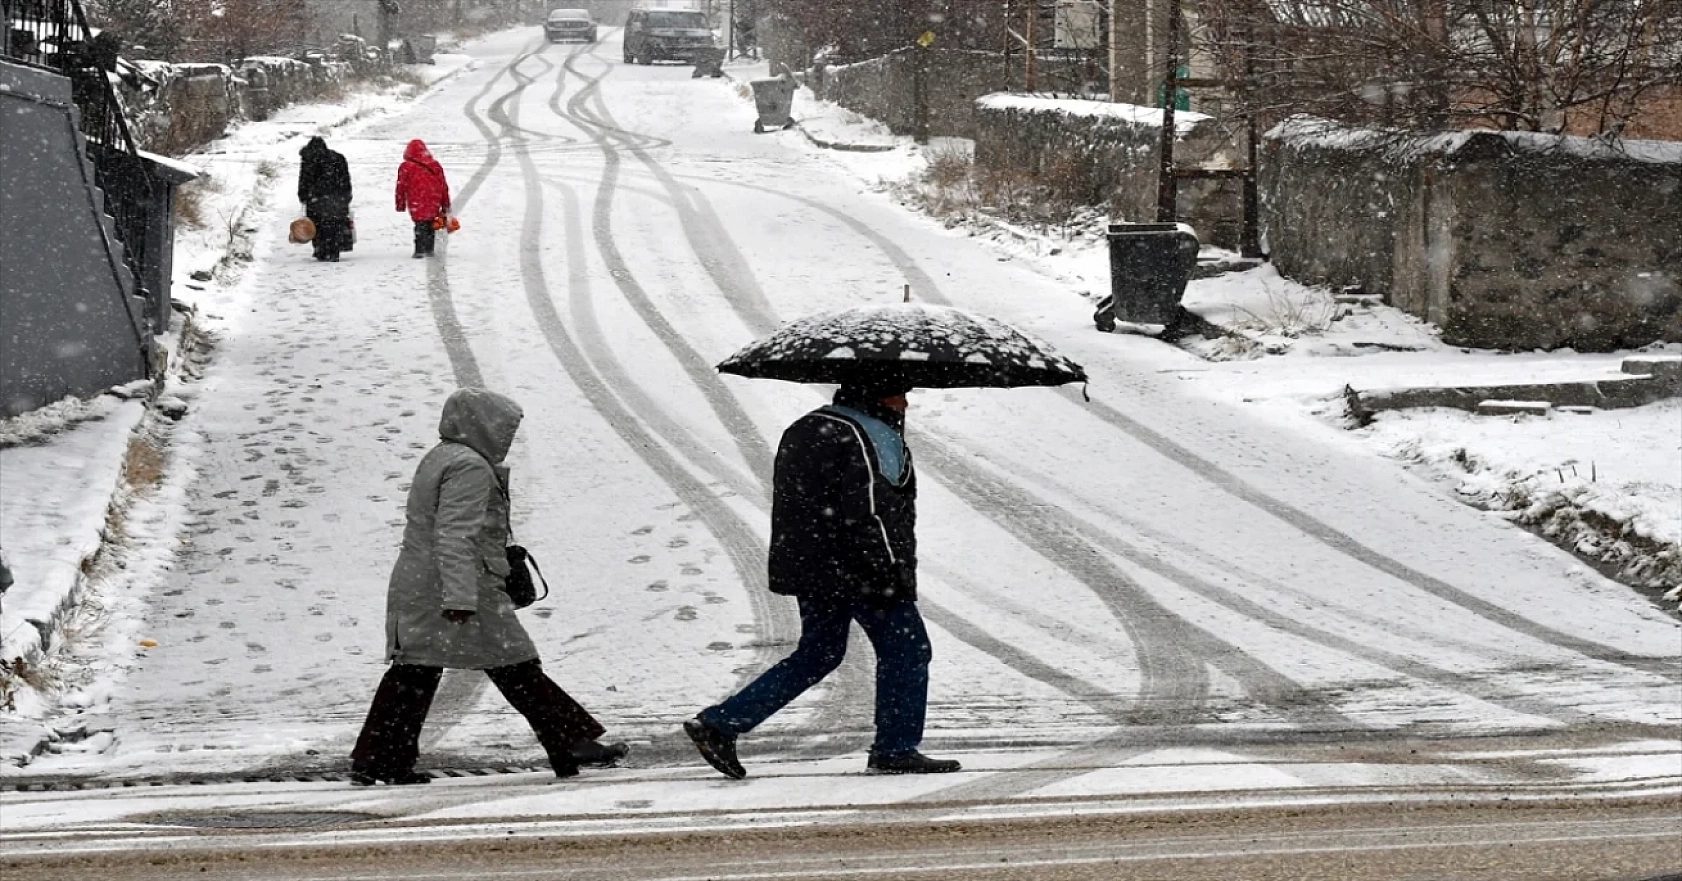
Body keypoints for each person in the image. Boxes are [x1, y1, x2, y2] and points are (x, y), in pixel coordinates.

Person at [684, 377, 960, 778]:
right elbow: (870, 509)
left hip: (815, 565)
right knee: (907, 650)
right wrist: (887, 570)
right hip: (863, 568)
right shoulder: (868, 435)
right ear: (875, 395)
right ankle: (896, 747)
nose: (904, 404)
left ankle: (723, 723)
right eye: (899, 393)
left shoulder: (808, 426)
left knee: (819, 653)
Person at [351, 388, 627, 785]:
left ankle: (379, 758)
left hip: (429, 580)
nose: (508, 438)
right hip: (459, 585)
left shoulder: (443, 456)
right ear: (482, 425)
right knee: (509, 663)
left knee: (421, 669)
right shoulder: (469, 467)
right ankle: (569, 741)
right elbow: (454, 535)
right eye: (504, 430)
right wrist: (460, 596)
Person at [298, 136, 353, 262]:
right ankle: (333, 251)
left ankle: (320, 250)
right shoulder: (338, 158)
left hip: (315, 199)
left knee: (317, 225)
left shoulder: (308, 160)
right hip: (336, 198)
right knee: (334, 225)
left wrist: (303, 196)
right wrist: (346, 196)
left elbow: (303, 180)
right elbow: (345, 179)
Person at [394, 139, 450, 258]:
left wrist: (400, 203)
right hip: (434, 199)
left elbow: (401, 186)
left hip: (416, 200)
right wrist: (445, 204)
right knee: (430, 223)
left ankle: (419, 250)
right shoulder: (435, 165)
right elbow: (443, 185)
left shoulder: (406, 166)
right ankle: (429, 249)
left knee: (420, 224)